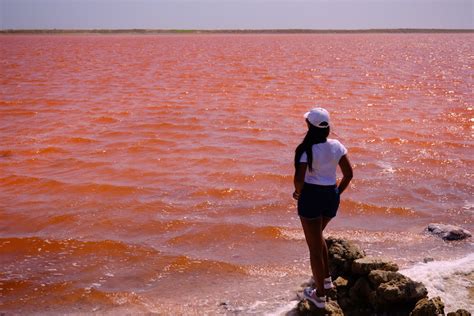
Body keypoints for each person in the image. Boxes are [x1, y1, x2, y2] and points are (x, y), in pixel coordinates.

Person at [293, 107, 353, 309]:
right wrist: (336, 193)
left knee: (314, 249)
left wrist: (298, 193)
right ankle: (326, 280)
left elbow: (299, 180)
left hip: (311, 197)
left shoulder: (305, 149)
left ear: (309, 126)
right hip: (330, 197)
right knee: (319, 237)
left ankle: (319, 296)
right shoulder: (336, 145)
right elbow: (348, 175)